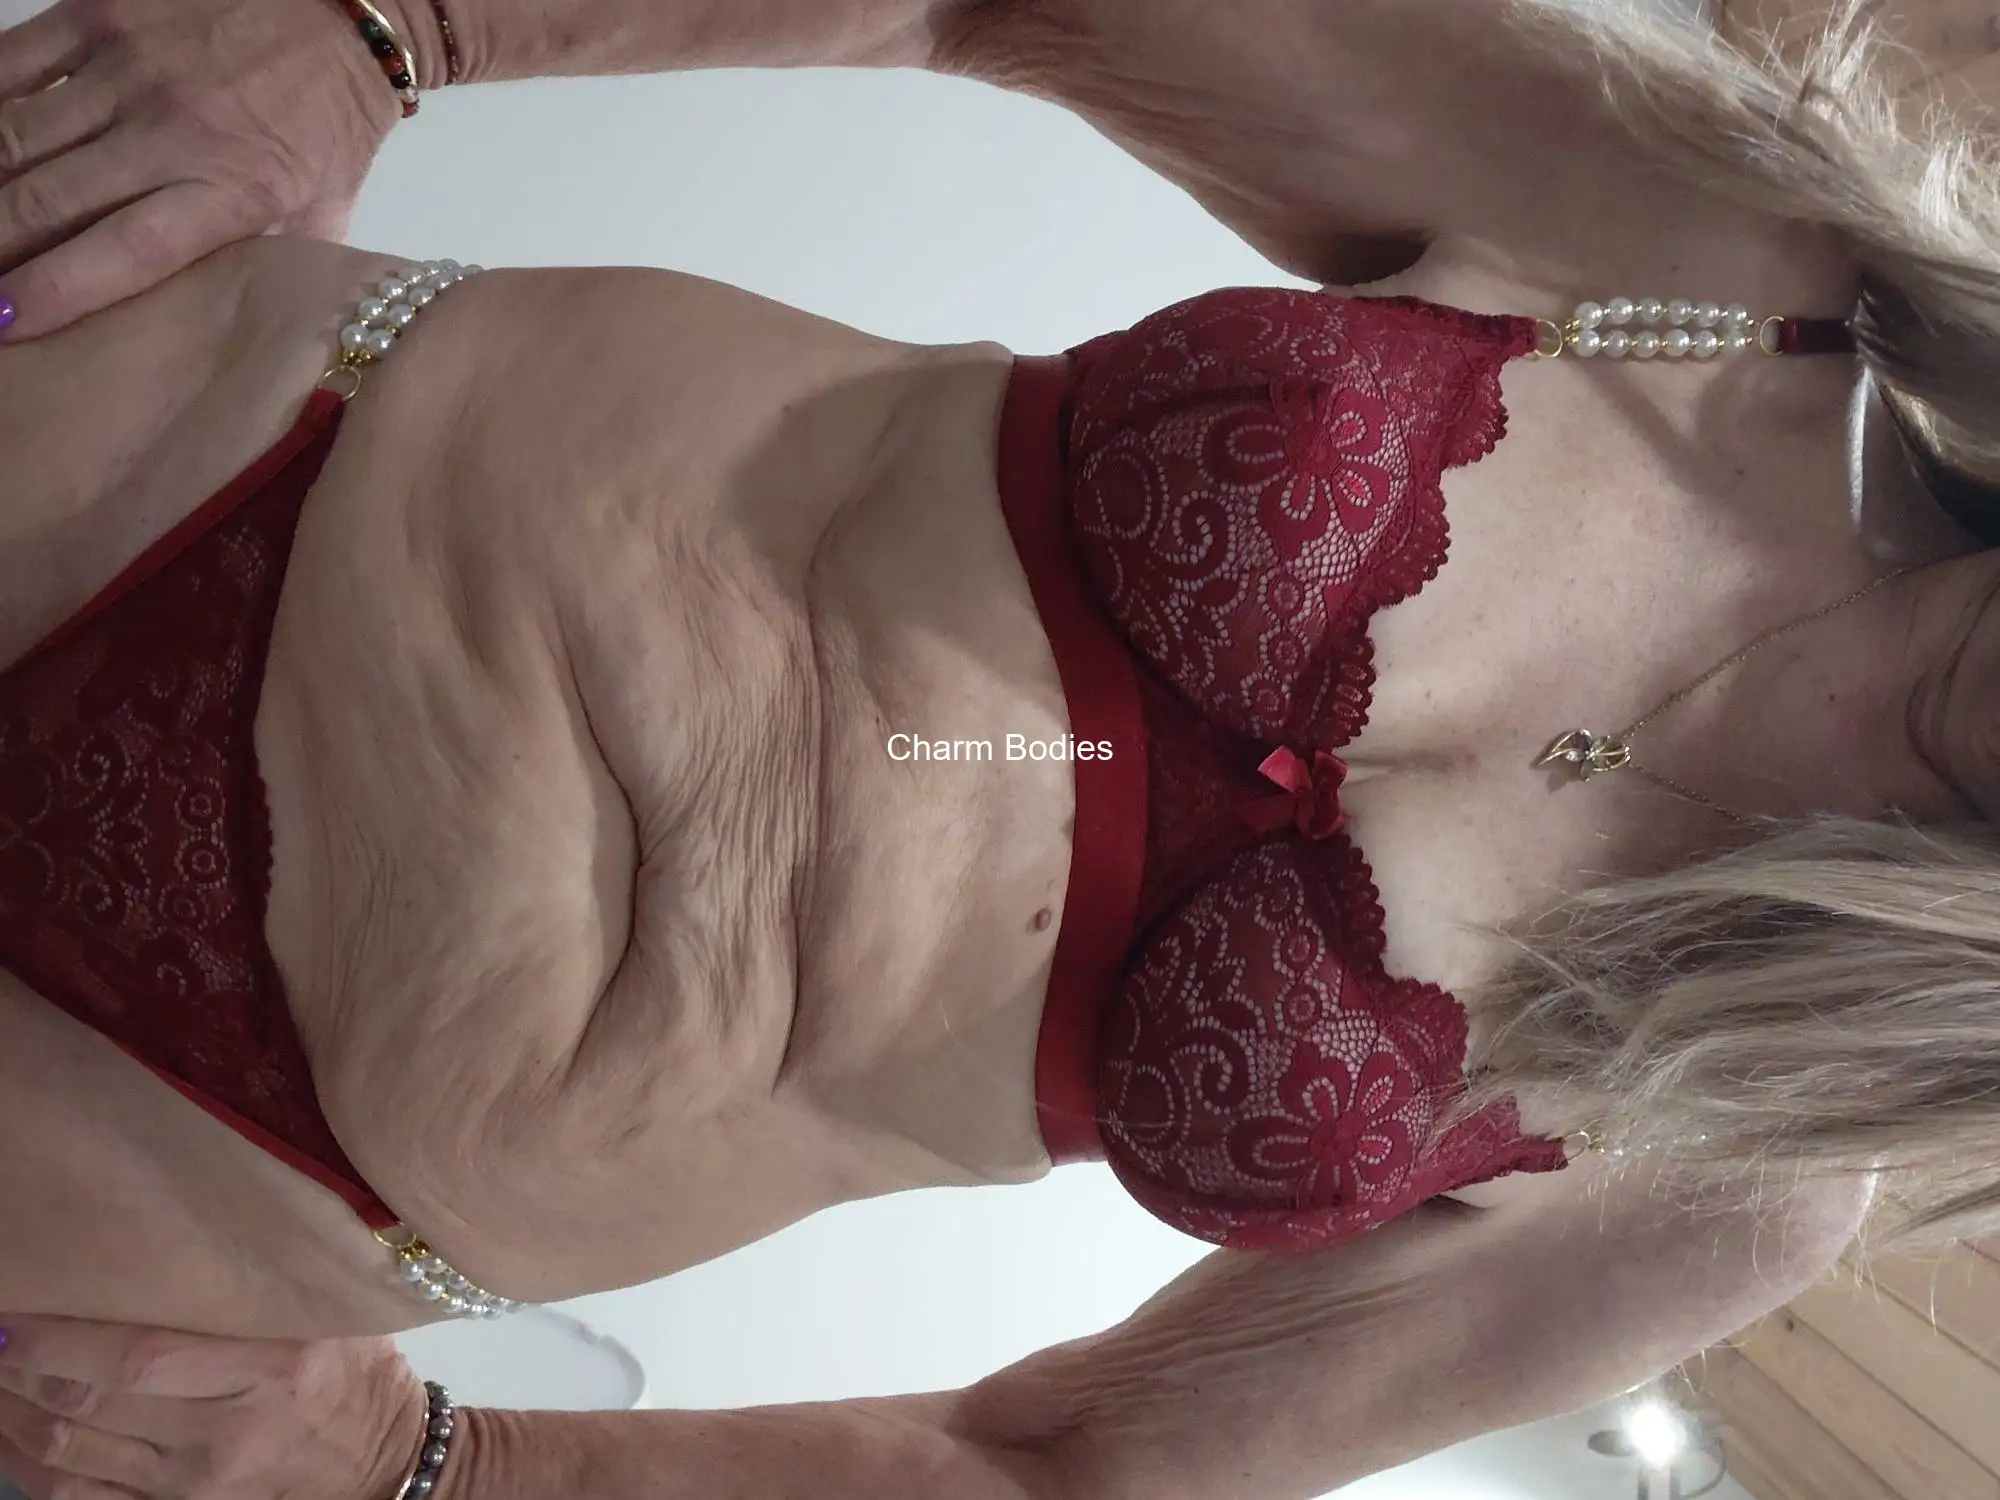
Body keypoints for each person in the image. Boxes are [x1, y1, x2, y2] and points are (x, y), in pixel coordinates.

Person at [3, 0, 1998, 1494]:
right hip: (235, 452)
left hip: (220, 1147)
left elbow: (1056, 1479)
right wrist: (390, 28)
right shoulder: (1735, 275)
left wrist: (437, 1472)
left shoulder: (1750, 1148)